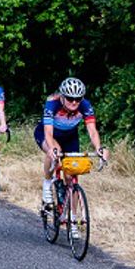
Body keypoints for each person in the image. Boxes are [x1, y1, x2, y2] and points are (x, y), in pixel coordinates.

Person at [37, 77, 108, 206]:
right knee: (54, 151)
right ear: (62, 96)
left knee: (71, 177)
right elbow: (48, 132)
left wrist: (99, 148)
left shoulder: (85, 106)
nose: (74, 102)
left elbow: (92, 131)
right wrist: (52, 149)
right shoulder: (52, 104)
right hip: (47, 133)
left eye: (78, 99)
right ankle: (47, 183)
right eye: (70, 98)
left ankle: (73, 220)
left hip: (70, 136)